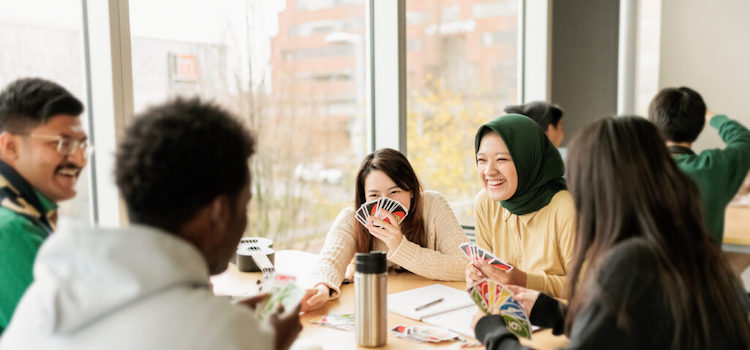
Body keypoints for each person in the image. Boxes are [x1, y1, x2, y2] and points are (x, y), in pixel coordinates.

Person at [0, 98, 304, 350]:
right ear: (219, 212)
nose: (245, 222)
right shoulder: (225, 334)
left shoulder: (42, 300)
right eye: (245, 204)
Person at [473, 116, 750, 350]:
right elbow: (633, 323)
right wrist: (553, 312)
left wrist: (492, 333)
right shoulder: (677, 244)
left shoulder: (632, 261)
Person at [304, 148, 469, 311]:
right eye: (374, 196)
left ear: (411, 190)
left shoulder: (432, 205)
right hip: (374, 306)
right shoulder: (352, 217)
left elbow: (466, 265)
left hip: (432, 306)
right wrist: (322, 287)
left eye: (394, 192)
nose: (384, 204)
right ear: (364, 197)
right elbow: (329, 260)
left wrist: (400, 246)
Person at [0, 78, 88, 334]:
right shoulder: (13, 232)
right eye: (63, 144)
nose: (80, 159)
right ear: (10, 146)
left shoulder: (23, 216)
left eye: (82, 145)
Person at [466, 114, 575, 298]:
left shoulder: (566, 207)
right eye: (482, 160)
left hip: (558, 319)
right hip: (510, 313)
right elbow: (488, 276)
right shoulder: (485, 202)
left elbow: (586, 287)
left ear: (528, 159)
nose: (489, 171)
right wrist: (477, 275)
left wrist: (524, 280)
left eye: (502, 159)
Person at [648, 86, 750, 244]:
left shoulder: (642, 169)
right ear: (702, 126)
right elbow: (743, 139)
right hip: (703, 267)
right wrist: (709, 115)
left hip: (650, 266)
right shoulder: (714, 167)